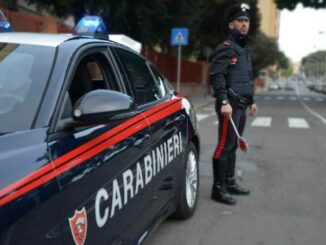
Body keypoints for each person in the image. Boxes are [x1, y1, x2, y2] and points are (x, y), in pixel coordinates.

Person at [209, 3, 258, 205]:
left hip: (242, 105)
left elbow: (246, 78)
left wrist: (252, 101)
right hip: (229, 105)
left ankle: (229, 182)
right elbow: (217, 75)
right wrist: (223, 101)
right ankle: (218, 189)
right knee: (224, 146)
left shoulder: (244, 50)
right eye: (240, 21)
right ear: (231, 25)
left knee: (233, 147)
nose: (244, 24)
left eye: (246, 21)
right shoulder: (226, 49)